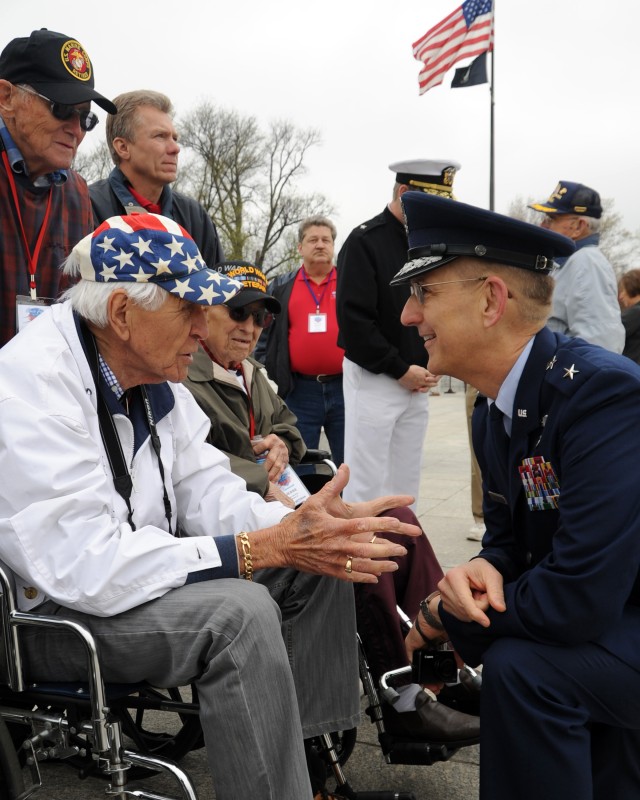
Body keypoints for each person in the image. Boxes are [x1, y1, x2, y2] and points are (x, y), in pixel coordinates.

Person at [0, 212, 424, 800]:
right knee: (239, 612)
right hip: (54, 615)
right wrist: (258, 549)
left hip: (131, 582)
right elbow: (85, 568)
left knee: (323, 563)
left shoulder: (155, 376)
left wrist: (301, 528)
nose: (205, 327)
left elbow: (210, 492)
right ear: (123, 313)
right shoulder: (31, 386)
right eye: (189, 308)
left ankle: (313, 769)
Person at [396, 191, 640, 800]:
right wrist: (474, 574)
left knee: (525, 673)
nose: (407, 315)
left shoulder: (602, 397)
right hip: (612, 625)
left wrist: (450, 617)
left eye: (424, 293)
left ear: (490, 301)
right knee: (533, 667)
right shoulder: (494, 410)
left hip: (618, 617)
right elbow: (511, 546)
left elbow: (578, 595)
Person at [185, 259, 481, 744]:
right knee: (356, 546)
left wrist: (280, 442)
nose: (250, 328)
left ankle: (440, 666)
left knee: (397, 519)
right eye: (238, 313)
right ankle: (403, 697)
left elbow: (290, 431)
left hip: (282, 504)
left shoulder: (251, 373)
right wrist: (263, 474)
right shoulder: (184, 375)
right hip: (236, 524)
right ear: (205, 312)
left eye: (260, 318)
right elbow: (190, 466)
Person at [336, 159, 459, 505]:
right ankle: (364, 554)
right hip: (377, 377)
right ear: (404, 193)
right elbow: (355, 323)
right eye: (433, 201)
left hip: (418, 379)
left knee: (407, 483)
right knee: (366, 482)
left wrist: (433, 363)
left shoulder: (430, 244)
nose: (439, 212)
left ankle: (404, 555)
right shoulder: (364, 241)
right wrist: (400, 369)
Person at [0, 28, 116, 346]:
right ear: (6, 97)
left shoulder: (77, 193)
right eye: (62, 109)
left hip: (44, 387)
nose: (76, 130)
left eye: (86, 118)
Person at [89, 89, 223, 268]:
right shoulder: (88, 208)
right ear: (123, 147)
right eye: (160, 136)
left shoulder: (195, 216)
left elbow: (217, 289)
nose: (175, 148)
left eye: (175, 138)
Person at [257, 215, 345, 465]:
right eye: (313, 239)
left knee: (348, 460)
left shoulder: (349, 282)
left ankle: (347, 504)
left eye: (326, 240)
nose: (320, 245)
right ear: (300, 247)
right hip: (298, 391)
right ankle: (305, 505)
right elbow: (264, 335)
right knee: (300, 460)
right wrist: (267, 376)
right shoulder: (281, 286)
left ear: (333, 245)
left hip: (344, 389)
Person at [528, 180, 624, 352]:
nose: (543, 225)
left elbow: (601, 346)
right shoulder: (570, 263)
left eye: (551, 219)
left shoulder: (587, 263)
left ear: (579, 226)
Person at [618, 269, 640, 364]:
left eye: (623, 290)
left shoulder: (636, 313)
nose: (620, 297)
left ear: (632, 286)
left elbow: (610, 331)